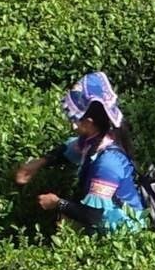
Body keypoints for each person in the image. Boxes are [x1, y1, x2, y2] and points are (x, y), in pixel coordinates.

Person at [13, 71, 147, 235]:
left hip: (122, 230)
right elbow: (67, 150)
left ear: (89, 123)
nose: (73, 126)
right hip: (102, 218)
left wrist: (58, 203)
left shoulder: (108, 163)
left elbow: (93, 216)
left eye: (76, 120)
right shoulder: (94, 139)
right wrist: (39, 163)